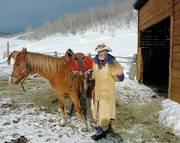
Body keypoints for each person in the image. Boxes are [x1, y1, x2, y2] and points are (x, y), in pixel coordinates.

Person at [90, 43, 124, 141]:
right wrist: (90, 74)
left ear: (106, 51)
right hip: (98, 91)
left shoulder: (112, 62)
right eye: (99, 51)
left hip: (107, 92)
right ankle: (99, 126)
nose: (101, 53)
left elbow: (119, 77)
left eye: (103, 51)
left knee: (104, 112)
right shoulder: (95, 61)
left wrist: (120, 75)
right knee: (97, 111)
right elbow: (94, 74)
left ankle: (102, 131)